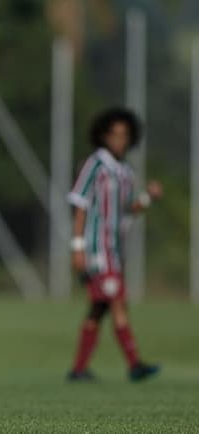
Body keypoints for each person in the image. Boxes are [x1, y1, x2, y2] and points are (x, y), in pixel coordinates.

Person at [67, 107, 162, 382]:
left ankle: (78, 369)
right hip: (97, 249)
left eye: (125, 135)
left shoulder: (124, 171)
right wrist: (77, 247)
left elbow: (128, 208)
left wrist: (148, 198)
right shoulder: (95, 164)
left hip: (115, 249)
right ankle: (135, 365)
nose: (120, 140)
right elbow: (80, 205)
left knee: (100, 308)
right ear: (103, 136)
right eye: (114, 135)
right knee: (118, 302)